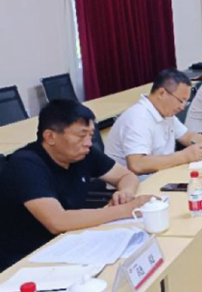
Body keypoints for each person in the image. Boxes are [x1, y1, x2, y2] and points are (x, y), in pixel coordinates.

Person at [0, 100, 152, 270]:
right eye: (81, 135)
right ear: (50, 137)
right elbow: (57, 222)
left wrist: (126, 192)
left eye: (90, 135)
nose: (89, 143)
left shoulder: (83, 153)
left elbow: (126, 175)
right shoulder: (25, 165)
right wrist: (126, 210)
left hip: (70, 244)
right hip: (26, 261)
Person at [106, 69, 202, 177]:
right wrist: (184, 156)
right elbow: (137, 165)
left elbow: (188, 136)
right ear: (162, 93)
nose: (182, 107)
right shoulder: (138, 117)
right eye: (181, 101)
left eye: (186, 102)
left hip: (160, 173)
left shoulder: (165, 112)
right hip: (134, 185)